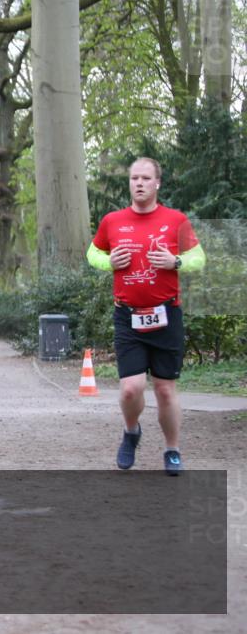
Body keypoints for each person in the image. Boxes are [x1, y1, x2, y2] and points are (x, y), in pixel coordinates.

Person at [87, 157, 205, 476]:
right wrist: (109, 261)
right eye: (134, 178)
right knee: (130, 388)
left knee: (165, 389)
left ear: (157, 184)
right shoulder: (112, 220)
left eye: (145, 178)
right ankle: (131, 431)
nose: (138, 183)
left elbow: (198, 258)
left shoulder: (175, 220)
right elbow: (92, 254)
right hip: (128, 316)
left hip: (166, 314)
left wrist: (175, 262)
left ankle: (172, 449)